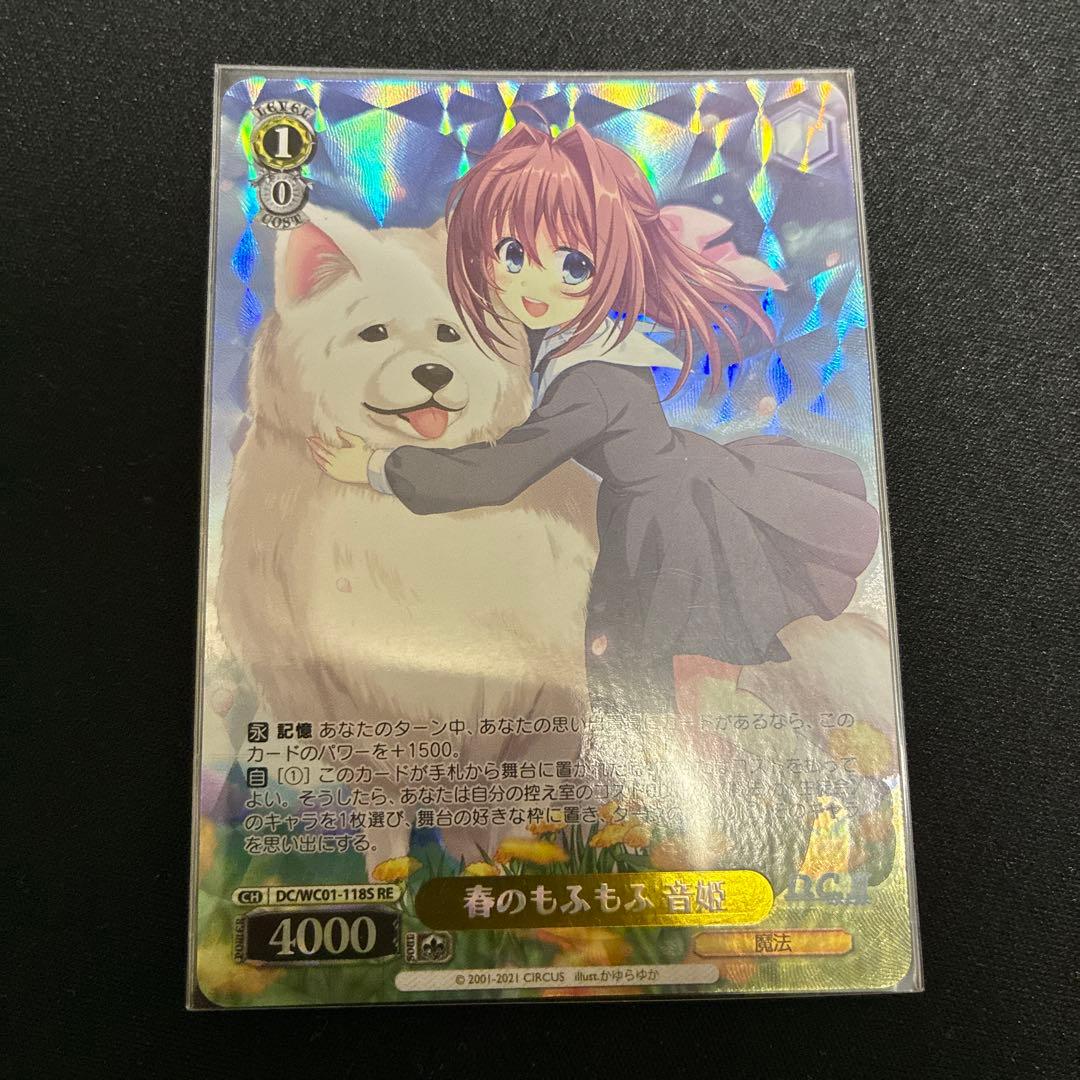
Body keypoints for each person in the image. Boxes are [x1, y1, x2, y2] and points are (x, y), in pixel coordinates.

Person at [308, 120, 880, 723]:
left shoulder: (593, 381)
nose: (533, 283)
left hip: (663, 518)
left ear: (614, 262)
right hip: (667, 489)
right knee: (636, 659)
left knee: (625, 665)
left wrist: (376, 467)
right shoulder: (577, 338)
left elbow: (499, 473)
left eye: (574, 265)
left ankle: (656, 764)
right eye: (513, 254)